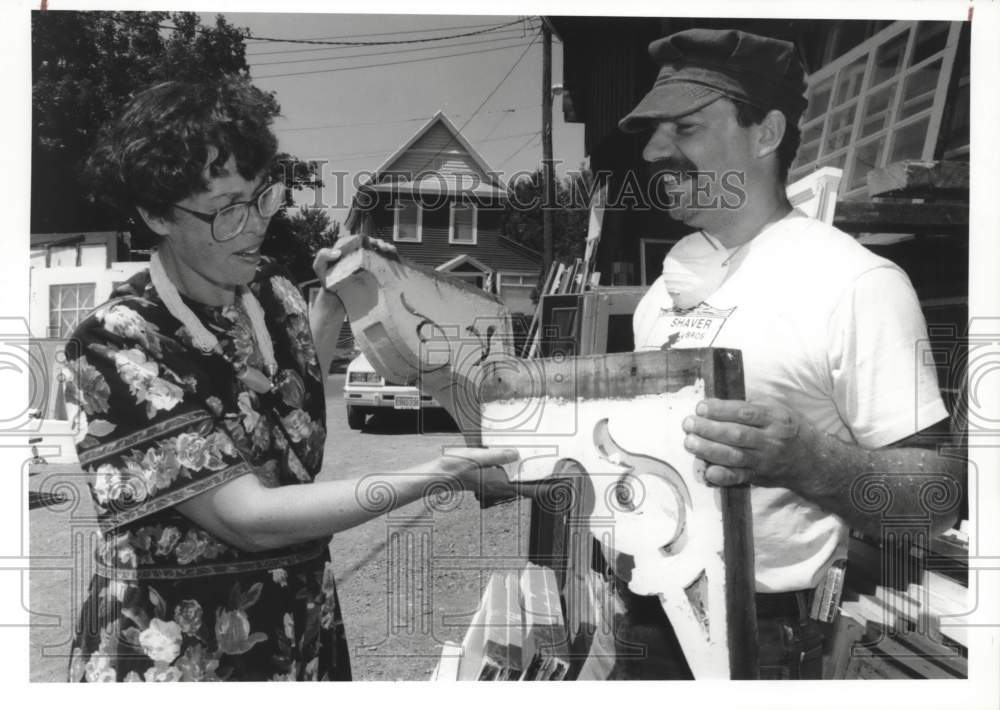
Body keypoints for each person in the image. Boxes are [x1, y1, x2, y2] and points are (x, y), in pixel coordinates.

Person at [62, 76, 516, 682]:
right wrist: (437, 473)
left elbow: (290, 407)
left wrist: (331, 301)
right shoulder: (118, 341)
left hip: (293, 628)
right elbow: (245, 518)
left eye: (261, 197)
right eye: (226, 208)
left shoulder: (269, 294)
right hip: (181, 653)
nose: (254, 225)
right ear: (154, 214)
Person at [583, 28, 965, 680]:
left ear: (766, 134)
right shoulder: (661, 299)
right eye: (652, 131)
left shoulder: (852, 284)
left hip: (762, 643)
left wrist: (805, 458)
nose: (653, 150)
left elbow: (933, 501)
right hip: (644, 623)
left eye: (686, 127)